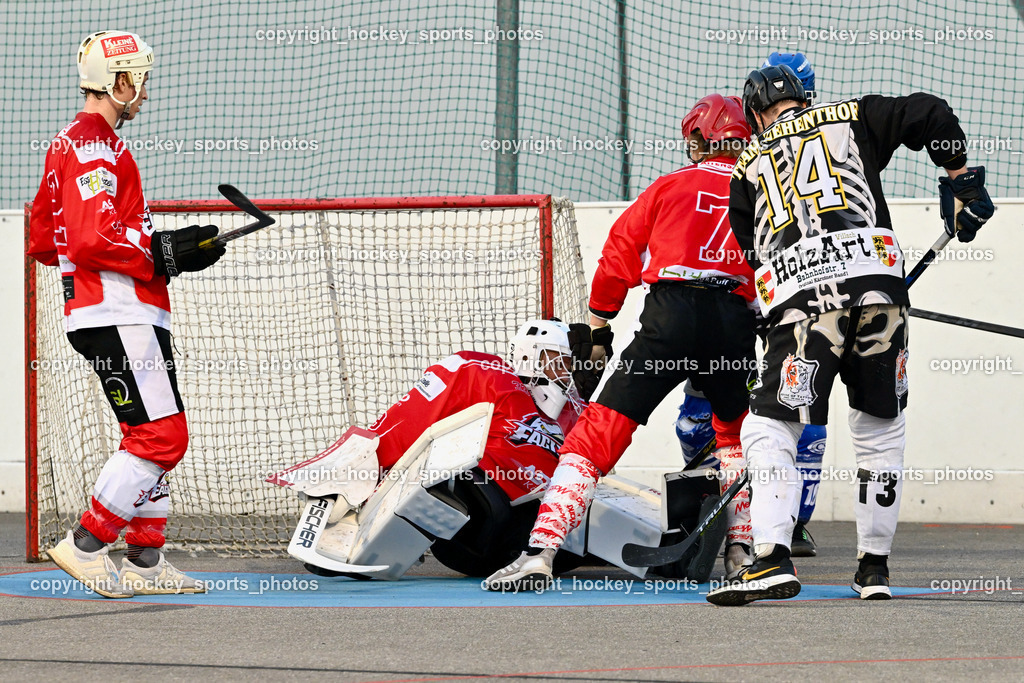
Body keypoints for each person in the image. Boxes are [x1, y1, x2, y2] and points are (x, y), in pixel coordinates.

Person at [706, 64, 994, 605]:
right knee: (880, 431)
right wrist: (958, 177)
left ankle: (770, 558)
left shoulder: (744, 170)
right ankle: (873, 570)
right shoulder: (852, 117)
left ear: (753, 117)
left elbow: (754, 255)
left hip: (802, 309)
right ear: (802, 96)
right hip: (879, 297)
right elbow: (928, 110)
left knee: (770, 428)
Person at [485, 94, 759, 592]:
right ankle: (741, 556)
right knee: (735, 439)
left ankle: (539, 553)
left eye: (693, 139)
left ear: (706, 137)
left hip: (669, 318)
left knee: (597, 434)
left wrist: (601, 327)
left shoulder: (670, 185)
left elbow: (618, 255)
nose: (690, 149)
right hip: (733, 321)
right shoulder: (764, 190)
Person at [27, 31, 225, 598]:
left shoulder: (69, 143)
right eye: (140, 79)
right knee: (163, 438)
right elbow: (91, 240)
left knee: (146, 434)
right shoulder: (95, 144)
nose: (145, 92)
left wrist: (167, 253)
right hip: (120, 313)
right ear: (120, 82)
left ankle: (145, 560)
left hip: (106, 311)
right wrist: (161, 251)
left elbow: (44, 239)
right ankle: (87, 545)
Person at [675, 51, 825, 559]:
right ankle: (743, 513)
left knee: (792, 408)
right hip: (759, 301)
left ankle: (775, 519)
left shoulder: (801, 155)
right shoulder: (761, 160)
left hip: (775, 304)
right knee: (746, 409)